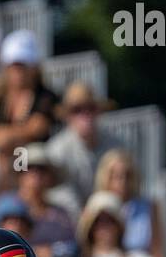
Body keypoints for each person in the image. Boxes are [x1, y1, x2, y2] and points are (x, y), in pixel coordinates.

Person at [46, 81, 117, 210]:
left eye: (90, 108)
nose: (85, 115)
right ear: (67, 116)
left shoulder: (115, 145)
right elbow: (61, 196)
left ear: (98, 111)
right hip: (70, 221)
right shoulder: (56, 150)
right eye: (77, 110)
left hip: (109, 217)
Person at [0, 30, 58, 151]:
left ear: (34, 68)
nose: (18, 71)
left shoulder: (46, 97)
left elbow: (38, 127)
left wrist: (5, 135)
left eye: (23, 65)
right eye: (13, 65)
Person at [94, 147, 164, 257]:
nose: (123, 182)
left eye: (127, 175)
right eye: (116, 176)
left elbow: (158, 252)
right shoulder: (97, 208)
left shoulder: (149, 207)